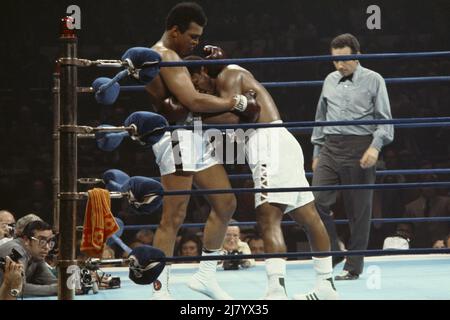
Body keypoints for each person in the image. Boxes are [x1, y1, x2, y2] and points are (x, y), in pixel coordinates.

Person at [186, 53, 338, 300]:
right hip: (279, 142)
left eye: (196, 82)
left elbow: (236, 116)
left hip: (268, 145)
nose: (197, 89)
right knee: (308, 216)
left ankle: (276, 291)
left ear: (204, 70)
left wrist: (193, 115)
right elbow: (237, 118)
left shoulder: (229, 74)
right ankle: (326, 286)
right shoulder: (227, 82)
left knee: (268, 218)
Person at [144, 2, 260, 300]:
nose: (195, 43)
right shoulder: (164, 56)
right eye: (192, 37)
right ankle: (161, 289)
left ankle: (205, 277)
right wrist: (237, 102)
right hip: (175, 138)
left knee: (226, 203)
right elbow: (193, 102)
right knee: (174, 215)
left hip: (191, 134)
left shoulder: (176, 57)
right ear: (174, 31)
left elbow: (192, 105)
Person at [311, 33, 394, 280]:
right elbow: (320, 117)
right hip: (330, 147)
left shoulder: (373, 80)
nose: (339, 65)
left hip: (360, 147)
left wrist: (375, 147)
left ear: (356, 56)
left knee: (359, 210)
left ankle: (353, 266)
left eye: (344, 60)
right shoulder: (329, 79)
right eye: (335, 60)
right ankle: (334, 251)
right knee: (316, 201)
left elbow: (385, 120)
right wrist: (317, 150)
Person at [0, 220, 57, 296]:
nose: (47, 247)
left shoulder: (36, 256)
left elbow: (52, 282)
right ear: (27, 240)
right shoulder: (14, 250)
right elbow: (16, 289)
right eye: (42, 241)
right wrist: (57, 289)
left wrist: (71, 286)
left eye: (50, 242)